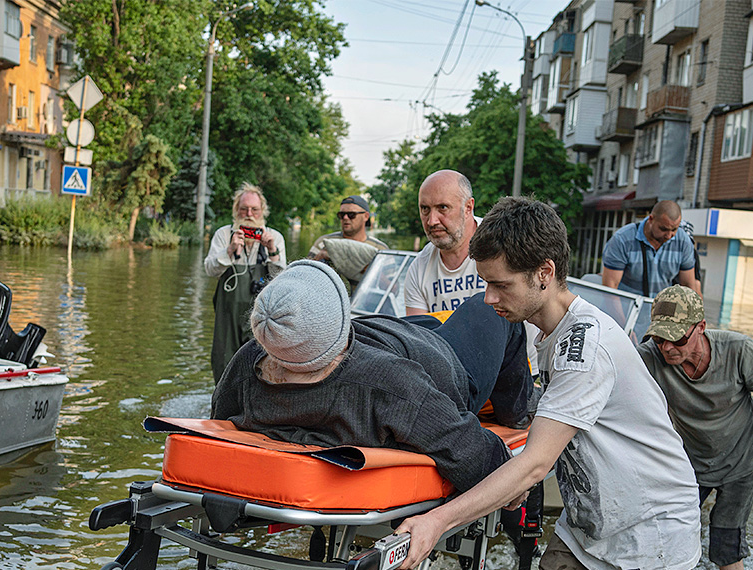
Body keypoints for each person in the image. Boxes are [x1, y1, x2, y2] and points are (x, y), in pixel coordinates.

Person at [396, 198, 701, 570]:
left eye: (498, 285)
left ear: (544, 273)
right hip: (588, 525)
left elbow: (536, 464)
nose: (487, 300)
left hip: (651, 536)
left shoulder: (583, 344)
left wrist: (437, 523)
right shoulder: (544, 329)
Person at [212, 259, 533, 494]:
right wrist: (516, 485)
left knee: (424, 323)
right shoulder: (383, 383)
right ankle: (519, 412)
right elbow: (472, 453)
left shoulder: (250, 359)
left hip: (400, 339)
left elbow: (220, 417)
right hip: (452, 368)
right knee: (494, 306)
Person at [639, 285, 753, 570]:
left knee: (726, 542)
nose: (667, 348)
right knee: (670, 533)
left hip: (741, 461)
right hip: (688, 463)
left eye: (677, 339)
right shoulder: (649, 357)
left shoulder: (738, 349)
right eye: (660, 339)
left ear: (700, 328)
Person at [204, 183, 287, 382]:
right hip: (227, 313)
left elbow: (282, 281)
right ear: (236, 210)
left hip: (261, 313)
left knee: (260, 360)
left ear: (262, 211)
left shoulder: (275, 237)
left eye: (254, 209)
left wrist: (272, 251)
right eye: (244, 209)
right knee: (223, 360)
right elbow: (209, 269)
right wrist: (230, 251)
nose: (249, 214)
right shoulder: (223, 235)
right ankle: (222, 406)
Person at [402, 170, 485, 316]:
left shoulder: (502, 246)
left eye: (443, 208)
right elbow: (416, 335)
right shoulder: (418, 268)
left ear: (468, 208)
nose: (432, 221)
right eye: (425, 209)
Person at [601, 200, 701, 298]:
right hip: (627, 309)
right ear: (651, 219)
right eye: (663, 229)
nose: (669, 235)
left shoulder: (683, 241)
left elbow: (688, 287)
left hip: (662, 310)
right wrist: (620, 315)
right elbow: (610, 289)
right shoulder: (622, 239)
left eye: (674, 229)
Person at [308, 195, 388, 294]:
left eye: (351, 214)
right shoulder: (323, 243)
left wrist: (372, 270)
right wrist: (319, 259)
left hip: (362, 306)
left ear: (366, 216)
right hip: (330, 304)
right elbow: (305, 279)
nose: (345, 218)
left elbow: (394, 290)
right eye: (342, 215)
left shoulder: (381, 250)